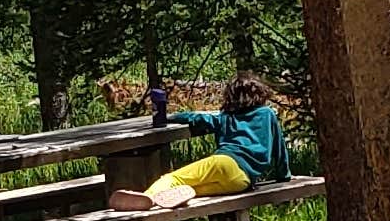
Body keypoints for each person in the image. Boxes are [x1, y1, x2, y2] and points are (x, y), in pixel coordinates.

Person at [115, 73, 286, 211]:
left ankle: (148, 196)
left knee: (174, 179)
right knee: (190, 191)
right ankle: (152, 201)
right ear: (261, 94)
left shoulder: (226, 117)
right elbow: (279, 149)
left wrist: (174, 116)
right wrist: (283, 176)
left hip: (225, 162)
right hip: (242, 182)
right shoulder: (267, 114)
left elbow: (198, 119)